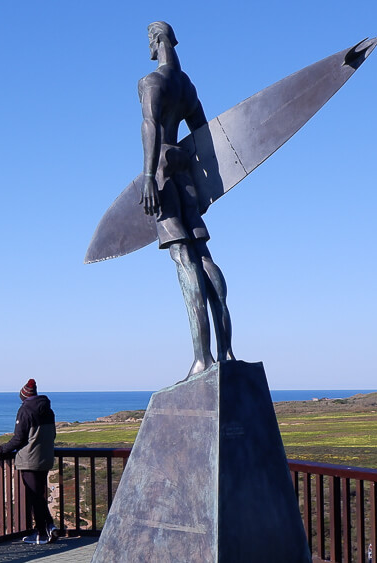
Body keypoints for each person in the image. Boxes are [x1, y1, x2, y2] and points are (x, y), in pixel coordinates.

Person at [138, 21, 235, 378]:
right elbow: (203, 136)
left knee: (183, 257)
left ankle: (202, 359)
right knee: (204, 255)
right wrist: (207, 185)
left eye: (149, 42)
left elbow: (150, 125)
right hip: (186, 172)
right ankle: (226, 352)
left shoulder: (151, 82)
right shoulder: (187, 86)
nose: (149, 48)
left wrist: (149, 176)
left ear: (156, 41)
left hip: (163, 170)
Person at [0, 379, 58, 545]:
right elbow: (53, 434)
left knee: (35, 497)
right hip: (45, 457)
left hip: (29, 459)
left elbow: (19, 438)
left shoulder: (25, 410)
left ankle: (42, 533)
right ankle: (50, 526)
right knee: (39, 496)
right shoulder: (48, 410)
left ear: (23, 395)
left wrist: (1, 449)